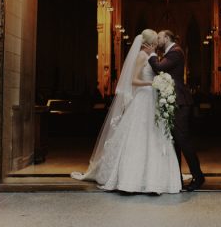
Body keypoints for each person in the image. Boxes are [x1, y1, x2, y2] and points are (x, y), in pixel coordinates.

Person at [71, 29, 181, 194]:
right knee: (138, 135)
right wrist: (152, 84)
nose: (156, 45)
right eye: (154, 43)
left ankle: (153, 178)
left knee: (154, 135)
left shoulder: (151, 57)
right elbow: (134, 81)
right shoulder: (142, 56)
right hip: (143, 99)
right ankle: (132, 179)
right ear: (148, 44)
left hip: (152, 100)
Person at [145, 30, 205, 191]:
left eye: (159, 37)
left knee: (183, 140)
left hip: (180, 102)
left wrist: (150, 54)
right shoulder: (170, 52)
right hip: (174, 102)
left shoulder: (175, 52)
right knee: (175, 142)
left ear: (166, 38)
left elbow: (158, 68)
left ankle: (198, 177)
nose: (157, 40)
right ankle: (175, 178)